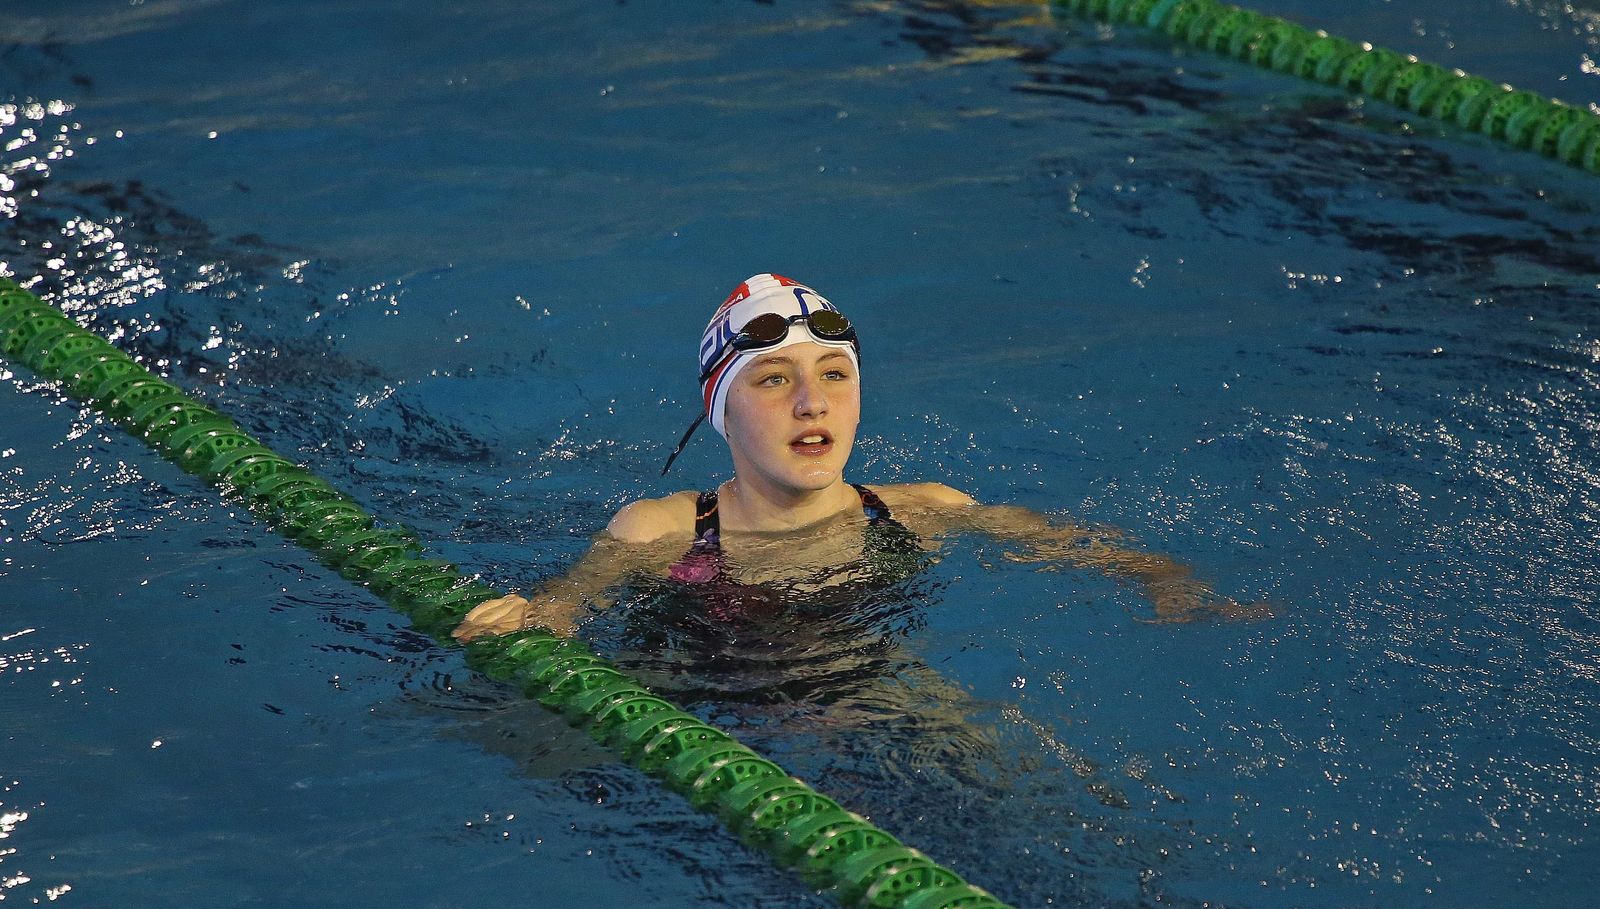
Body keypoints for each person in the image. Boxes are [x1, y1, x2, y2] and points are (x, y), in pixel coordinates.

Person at [454, 273, 1265, 643]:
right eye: (774, 380)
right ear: (720, 414)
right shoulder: (665, 529)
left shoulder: (922, 509)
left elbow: (1073, 544)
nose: (813, 403)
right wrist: (547, 613)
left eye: (834, 377)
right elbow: (576, 595)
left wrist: (1169, 583)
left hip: (866, 704)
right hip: (710, 715)